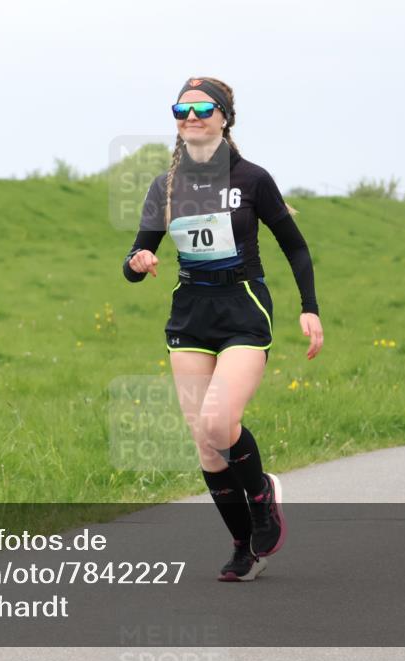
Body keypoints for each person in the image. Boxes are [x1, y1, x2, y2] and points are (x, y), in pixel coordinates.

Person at [121, 76, 324, 581]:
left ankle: (262, 499)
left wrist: (309, 306)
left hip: (243, 308)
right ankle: (242, 547)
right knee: (206, 444)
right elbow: (134, 257)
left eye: (202, 109)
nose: (190, 118)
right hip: (190, 312)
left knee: (218, 422)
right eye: (180, 110)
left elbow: (294, 245)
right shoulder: (165, 187)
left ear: (224, 117)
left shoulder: (251, 179)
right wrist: (140, 260)